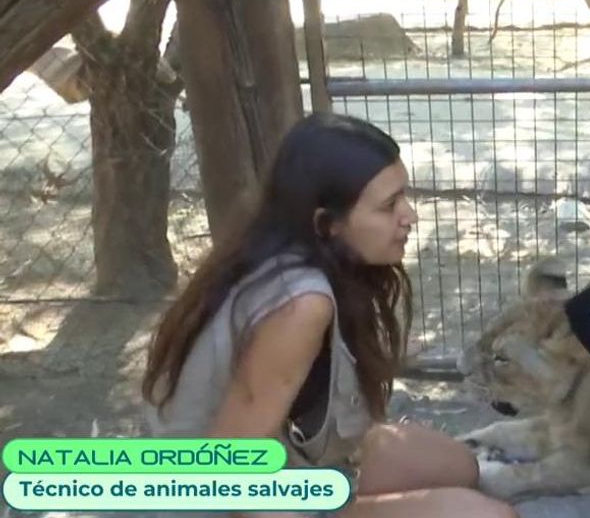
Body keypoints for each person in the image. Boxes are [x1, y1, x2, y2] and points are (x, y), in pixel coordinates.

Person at [142, 114, 517, 518]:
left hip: (292, 463)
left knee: (459, 466)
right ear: (328, 223)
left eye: (403, 196)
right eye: (389, 206)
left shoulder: (292, 257)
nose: (409, 216)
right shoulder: (301, 305)